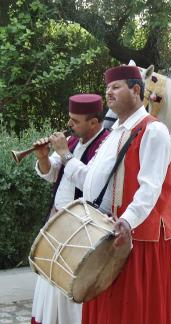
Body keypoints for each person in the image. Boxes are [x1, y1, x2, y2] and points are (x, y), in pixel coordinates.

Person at [51, 65, 171, 323]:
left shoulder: (153, 130)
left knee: (133, 313)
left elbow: (150, 188)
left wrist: (127, 221)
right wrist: (65, 155)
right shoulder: (114, 135)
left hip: (136, 241)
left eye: (116, 87)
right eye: (107, 87)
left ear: (136, 90)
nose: (108, 92)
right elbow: (91, 179)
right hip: (107, 237)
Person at [31, 94, 110, 324]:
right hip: (58, 228)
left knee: (72, 295)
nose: (69, 125)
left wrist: (65, 154)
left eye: (75, 121)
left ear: (94, 123)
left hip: (83, 233)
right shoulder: (74, 141)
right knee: (50, 286)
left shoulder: (105, 146)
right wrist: (44, 158)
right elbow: (52, 173)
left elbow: (92, 184)